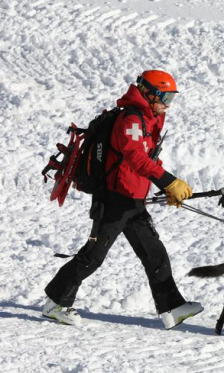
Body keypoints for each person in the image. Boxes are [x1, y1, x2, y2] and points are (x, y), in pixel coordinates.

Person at [42, 70, 203, 329]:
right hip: (114, 199)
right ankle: (55, 303)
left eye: (171, 98)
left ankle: (171, 308)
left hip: (132, 200)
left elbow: (149, 158)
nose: (167, 105)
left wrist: (166, 189)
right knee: (93, 256)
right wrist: (169, 181)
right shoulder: (131, 119)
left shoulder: (149, 118)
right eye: (166, 98)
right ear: (150, 94)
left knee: (154, 253)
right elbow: (134, 157)